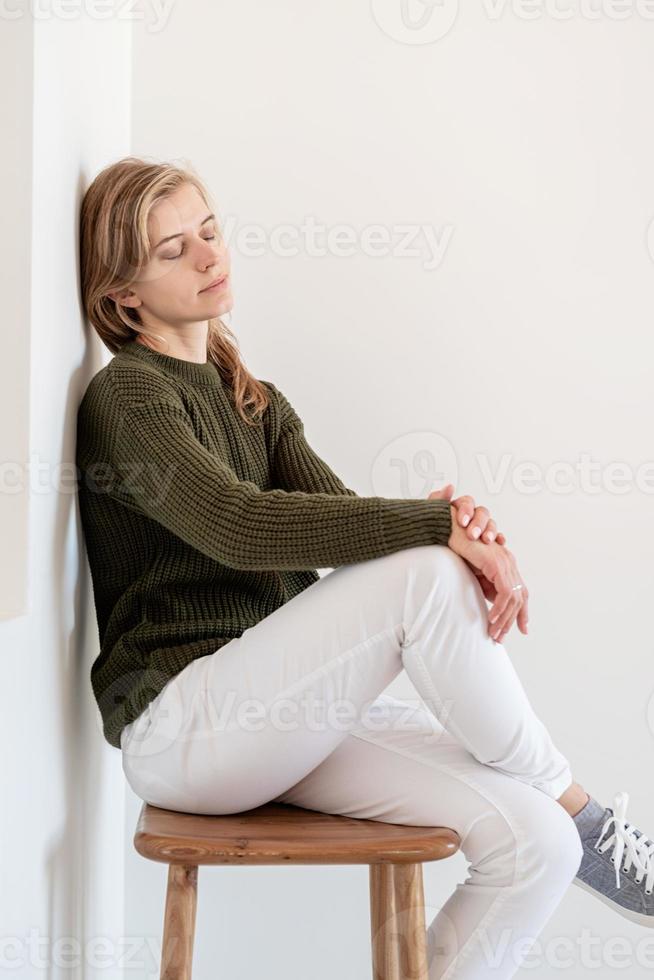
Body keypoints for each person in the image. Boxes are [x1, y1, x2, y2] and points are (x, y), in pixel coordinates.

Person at [76, 156, 654, 979]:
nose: (210, 256)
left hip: (270, 721)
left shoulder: (254, 399)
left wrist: (447, 528)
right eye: (175, 250)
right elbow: (241, 529)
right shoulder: (129, 397)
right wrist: (439, 530)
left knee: (537, 844)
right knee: (427, 571)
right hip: (182, 726)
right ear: (123, 295)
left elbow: (346, 537)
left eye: (209, 232)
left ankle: (570, 825)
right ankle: (583, 806)